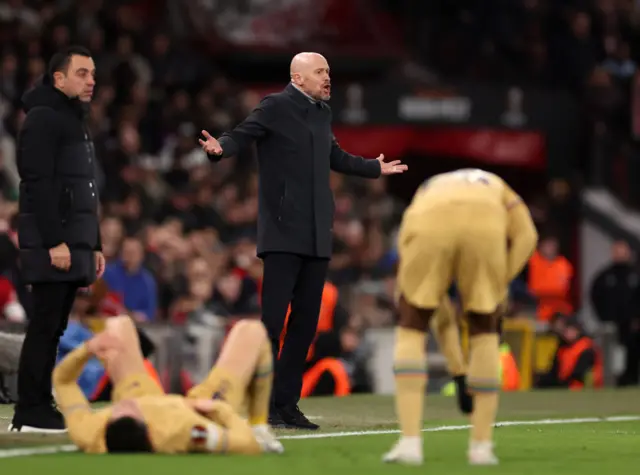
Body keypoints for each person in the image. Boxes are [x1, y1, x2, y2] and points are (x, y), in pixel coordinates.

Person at [199, 52, 407, 429]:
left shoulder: (321, 113)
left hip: (315, 235)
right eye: (320, 72)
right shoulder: (276, 106)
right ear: (298, 77)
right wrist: (220, 149)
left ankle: (285, 405)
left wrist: (374, 167)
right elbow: (241, 134)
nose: (328, 78)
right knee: (272, 323)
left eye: (329, 70)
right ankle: (254, 401)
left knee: (306, 326)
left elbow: (336, 157)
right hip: (282, 233)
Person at [383, 168, 538, 466]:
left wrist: (458, 371)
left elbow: (440, 316)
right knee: (484, 330)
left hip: (426, 221)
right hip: (485, 223)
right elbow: (528, 236)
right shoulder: (498, 185)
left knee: (412, 326)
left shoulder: (426, 189)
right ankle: (481, 448)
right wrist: (501, 280)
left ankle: (410, 444)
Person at [10, 45, 105, 433]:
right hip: (54, 241)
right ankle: (30, 408)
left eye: (93, 74)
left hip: (73, 238)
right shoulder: (44, 118)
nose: (91, 80)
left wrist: (94, 242)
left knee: (54, 326)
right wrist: (54, 242)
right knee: (45, 324)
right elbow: (38, 183)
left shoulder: (71, 118)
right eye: (81, 73)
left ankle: (38, 404)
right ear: (58, 78)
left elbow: (85, 191)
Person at [54, 315, 283, 454]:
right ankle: (259, 425)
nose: (121, 407)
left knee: (118, 325)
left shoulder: (90, 432)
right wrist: (219, 411)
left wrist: (87, 349)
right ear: (147, 425)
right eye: (129, 411)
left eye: (116, 411)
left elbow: (62, 381)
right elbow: (247, 445)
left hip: (140, 392)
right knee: (251, 330)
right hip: (200, 409)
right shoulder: (187, 432)